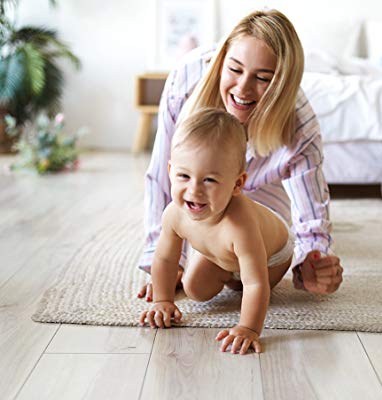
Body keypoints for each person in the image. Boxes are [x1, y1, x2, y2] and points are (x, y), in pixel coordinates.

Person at [137, 9, 343, 303]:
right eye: (235, 70)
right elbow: (162, 175)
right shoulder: (186, 80)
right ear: (221, 62)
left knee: (246, 241)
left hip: (263, 193)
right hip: (204, 185)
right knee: (197, 277)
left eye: (262, 78)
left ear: (282, 85)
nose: (243, 88)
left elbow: (310, 213)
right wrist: (163, 265)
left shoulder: (299, 122)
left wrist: (313, 261)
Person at [139, 108, 296, 354]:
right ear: (170, 171)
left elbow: (256, 283)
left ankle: (231, 274)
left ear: (237, 184)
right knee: (195, 289)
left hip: (272, 257)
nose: (194, 190)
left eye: (209, 180)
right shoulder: (173, 214)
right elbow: (165, 258)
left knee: (247, 286)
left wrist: (248, 328)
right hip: (222, 253)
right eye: (183, 176)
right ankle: (225, 270)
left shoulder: (239, 225)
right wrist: (162, 300)